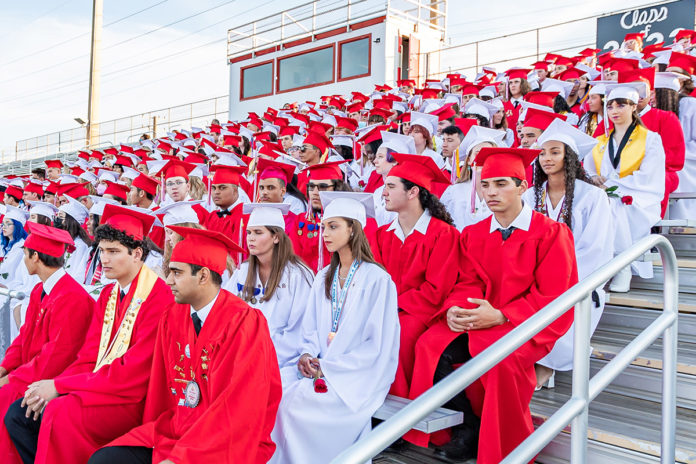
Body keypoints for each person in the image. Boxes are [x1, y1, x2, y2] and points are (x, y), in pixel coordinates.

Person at [407, 147, 578, 463]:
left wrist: (501, 315)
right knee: (430, 345)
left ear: (522, 187)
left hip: (526, 325)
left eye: (501, 184)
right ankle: (468, 430)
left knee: (501, 362)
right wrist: (458, 309)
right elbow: (467, 281)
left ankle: (505, 446)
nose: (490, 192)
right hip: (480, 318)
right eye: (485, 184)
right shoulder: (473, 234)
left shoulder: (552, 233)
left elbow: (552, 295)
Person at [90, 226, 282, 464]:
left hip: (224, 439)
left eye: (177, 273)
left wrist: (182, 458)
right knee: (105, 459)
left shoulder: (244, 323)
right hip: (177, 428)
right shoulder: (172, 316)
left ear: (202, 276)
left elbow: (240, 407)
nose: (168, 280)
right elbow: (160, 391)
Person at [4, 204, 174, 464]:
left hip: (132, 398)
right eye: (102, 250)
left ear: (137, 253)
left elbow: (132, 373)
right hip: (100, 386)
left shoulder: (159, 297)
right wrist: (57, 385)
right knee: (25, 411)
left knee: (60, 412)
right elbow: (88, 356)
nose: (104, 259)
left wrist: (60, 386)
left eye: (113, 252)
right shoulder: (108, 294)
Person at [270, 192, 399, 464]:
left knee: (298, 406)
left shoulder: (378, 280)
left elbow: (378, 345)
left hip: (356, 376)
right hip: (321, 366)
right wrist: (306, 355)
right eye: (323, 227)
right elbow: (309, 331)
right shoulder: (323, 277)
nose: (324, 233)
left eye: (333, 226)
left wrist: (328, 368)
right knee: (276, 388)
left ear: (353, 229)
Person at [522, 119, 614, 388]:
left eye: (554, 152)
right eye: (541, 153)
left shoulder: (592, 197)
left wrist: (556, 278)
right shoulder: (530, 196)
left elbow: (596, 249)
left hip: (576, 283)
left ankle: (544, 369)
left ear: (569, 156)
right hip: (533, 280)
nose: (546, 158)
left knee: (558, 310)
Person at [0, 223, 95, 464]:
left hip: (51, 379)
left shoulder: (72, 297)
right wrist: (4, 367)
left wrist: (10, 378)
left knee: (4, 396)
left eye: (25, 254)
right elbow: (23, 338)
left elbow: (56, 358)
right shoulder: (39, 291)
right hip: (30, 371)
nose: (23, 259)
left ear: (35, 257)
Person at [373, 154, 459, 406]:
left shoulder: (443, 234)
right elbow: (376, 279)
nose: (383, 192)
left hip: (424, 312)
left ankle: (401, 415)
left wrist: (393, 305)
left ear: (412, 192)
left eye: (390, 186)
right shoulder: (381, 235)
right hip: (389, 308)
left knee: (398, 332)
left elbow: (436, 289)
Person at [584, 83, 666, 292]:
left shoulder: (651, 139)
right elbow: (589, 169)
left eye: (620, 105)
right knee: (600, 204)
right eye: (610, 107)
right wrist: (594, 178)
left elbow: (649, 176)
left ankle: (622, 267)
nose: (614, 111)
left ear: (633, 107)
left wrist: (612, 184)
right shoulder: (600, 141)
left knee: (613, 205)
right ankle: (598, 267)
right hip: (608, 194)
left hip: (639, 197)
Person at [225, 203, 314, 368]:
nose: (251, 238)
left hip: (283, 360)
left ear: (276, 237)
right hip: (242, 354)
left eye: (258, 233)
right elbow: (226, 312)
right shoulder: (243, 272)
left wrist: (260, 352)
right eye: (249, 233)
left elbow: (299, 329)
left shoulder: (298, 275)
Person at [440, 126, 505, 231]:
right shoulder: (453, 192)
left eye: (489, 153)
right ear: (469, 159)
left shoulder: (504, 192)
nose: (483, 157)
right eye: (478, 153)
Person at [372, 132, 415, 226]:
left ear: (395, 161)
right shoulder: (378, 192)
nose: (375, 161)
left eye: (380, 157)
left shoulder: (407, 192)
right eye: (376, 157)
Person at [56, 195, 92, 281]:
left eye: (61, 216)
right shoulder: (63, 242)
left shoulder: (79, 245)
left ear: (70, 221)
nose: (57, 219)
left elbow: (74, 275)